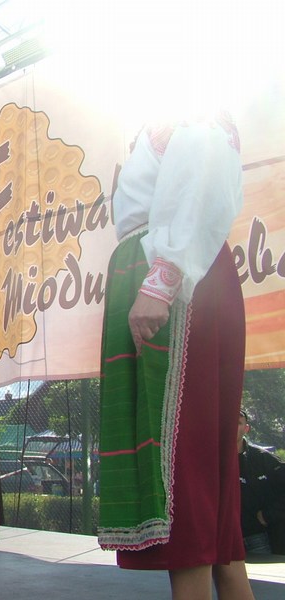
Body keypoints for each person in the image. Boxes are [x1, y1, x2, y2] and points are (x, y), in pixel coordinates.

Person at [97, 112, 254, 599]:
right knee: (199, 478)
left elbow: (199, 181)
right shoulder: (161, 115)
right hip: (159, 271)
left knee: (182, 466)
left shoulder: (193, 104)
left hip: (172, 279)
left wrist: (162, 279)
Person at [238, 409, 285, 555]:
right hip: (219, 536)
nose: (232, 426)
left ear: (246, 428)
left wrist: (269, 515)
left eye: (238, 423)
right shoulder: (209, 458)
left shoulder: (263, 459)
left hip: (256, 536)